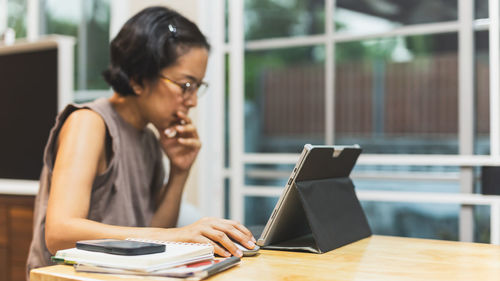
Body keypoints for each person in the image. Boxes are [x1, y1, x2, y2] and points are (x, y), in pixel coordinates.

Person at [26, 6, 255, 277]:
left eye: (197, 87)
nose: (192, 101)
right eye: (185, 85)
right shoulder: (89, 122)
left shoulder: (148, 139)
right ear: (137, 78)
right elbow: (60, 233)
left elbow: (152, 238)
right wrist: (180, 234)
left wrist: (180, 171)